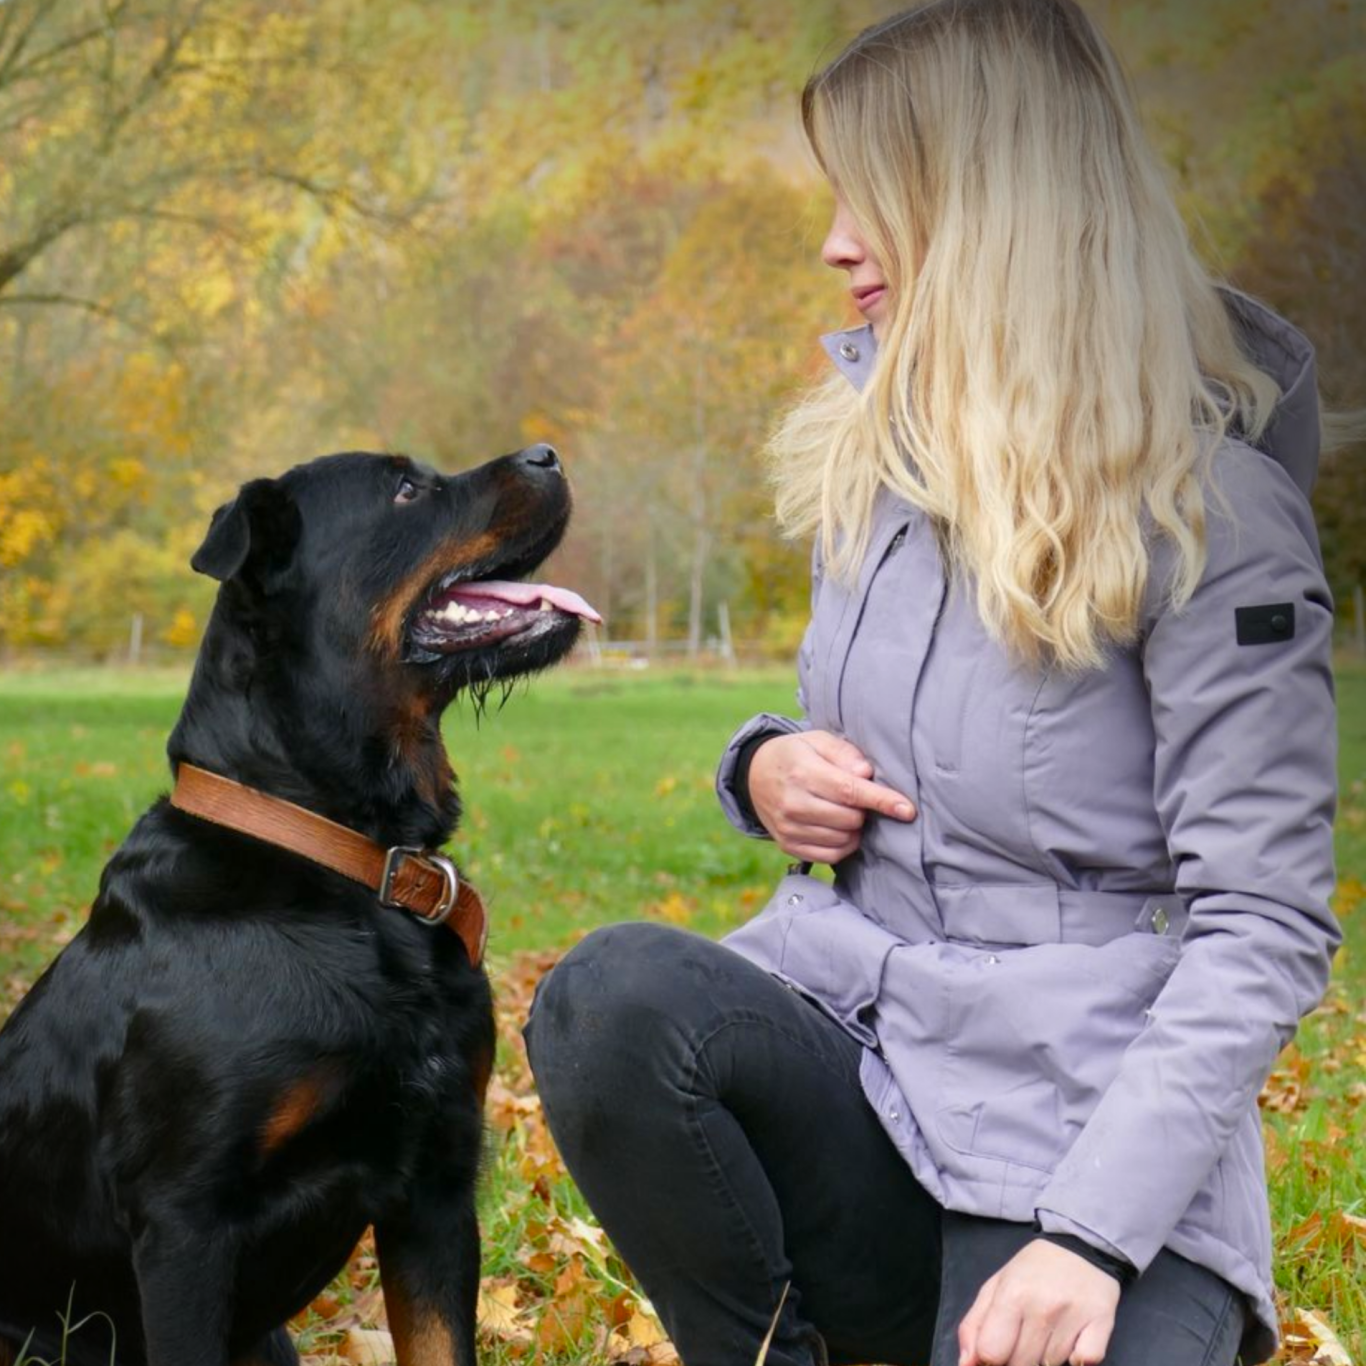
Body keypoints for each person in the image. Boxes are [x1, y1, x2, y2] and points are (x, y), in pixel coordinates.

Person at [524, 2, 1341, 1363]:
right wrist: (767, 763)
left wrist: (1086, 1239)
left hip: (1079, 1144)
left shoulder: (1218, 515)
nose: (835, 243)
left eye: (875, 197)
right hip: (869, 1072)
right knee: (608, 996)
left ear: (997, 207)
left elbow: (1258, 924)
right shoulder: (877, 471)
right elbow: (882, 741)